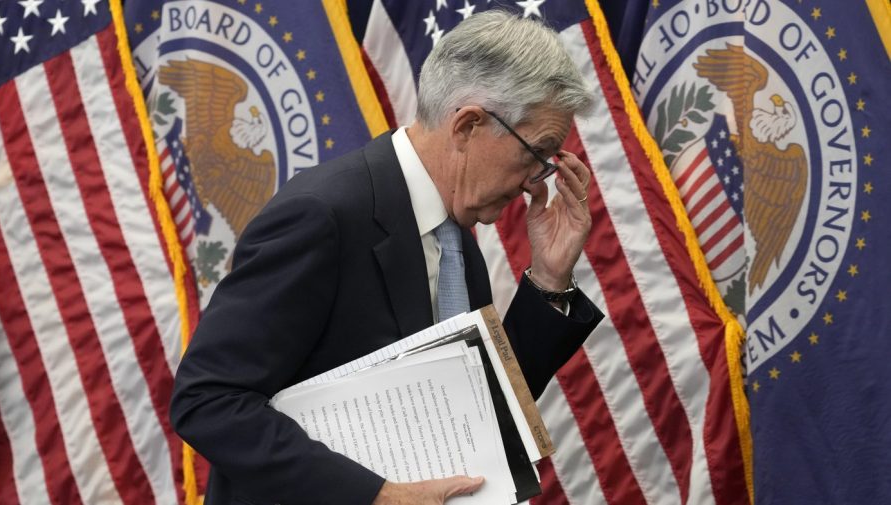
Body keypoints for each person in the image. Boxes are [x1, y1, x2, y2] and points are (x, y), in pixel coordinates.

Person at [171, 9, 605, 505]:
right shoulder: (322, 216)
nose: (535, 180)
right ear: (466, 126)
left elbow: (480, 410)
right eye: (536, 152)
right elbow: (207, 400)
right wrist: (376, 496)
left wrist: (549, 278)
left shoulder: (454, 232)